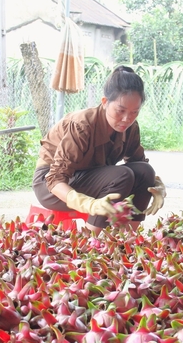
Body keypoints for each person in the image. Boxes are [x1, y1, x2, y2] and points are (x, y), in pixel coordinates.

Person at [32, 65, 167, 233]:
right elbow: (55, 179)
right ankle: (90, 244)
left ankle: (128, 239)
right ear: (104, 102)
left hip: (90, 178)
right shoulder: (82, 125)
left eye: (134, 112)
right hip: (52, 185)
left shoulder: (130, 127)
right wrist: (88, 204)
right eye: (120, 110)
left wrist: (157, 186)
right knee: (121, 176)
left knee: (145, 171)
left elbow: (139, 165)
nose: (127, 119)